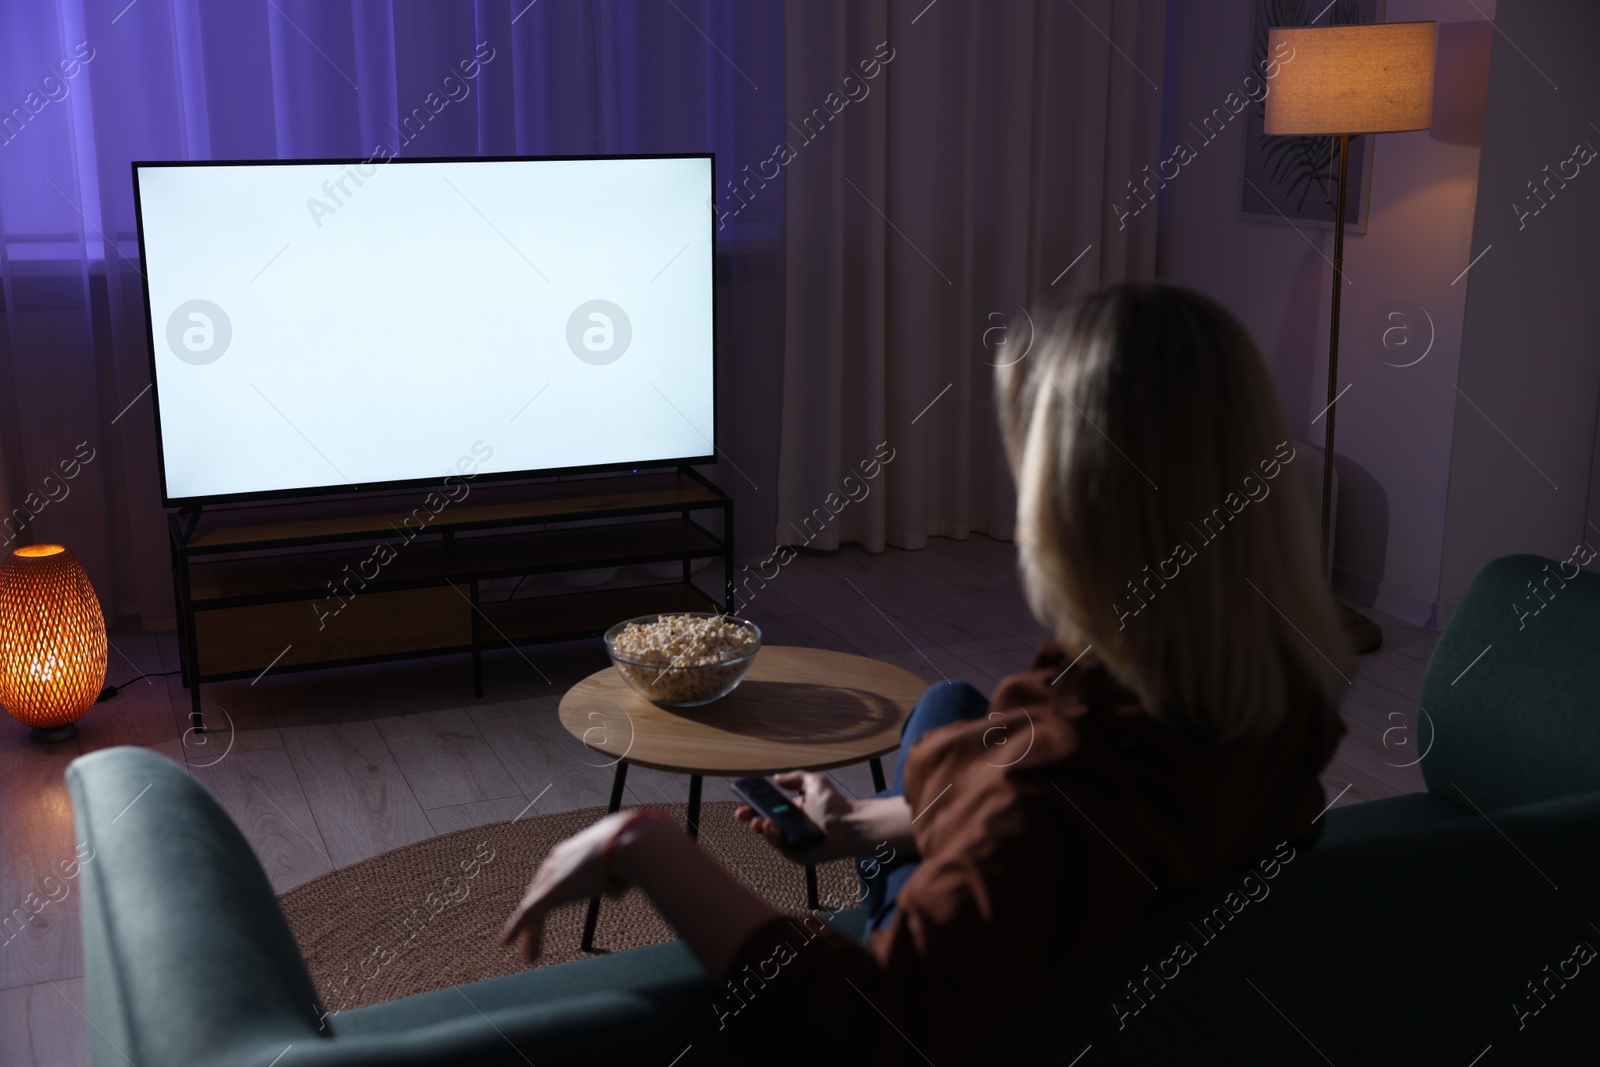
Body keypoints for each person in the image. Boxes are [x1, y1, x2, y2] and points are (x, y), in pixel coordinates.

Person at [500, 283, 1354, 1064]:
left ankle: (878, 861)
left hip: (939, 1002)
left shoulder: (1050, 794)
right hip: (1068, 890)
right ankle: (875, 834)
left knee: (946, 721)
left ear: (1074, 509)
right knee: (947, 704)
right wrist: (868, 822)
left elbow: (861, 1031)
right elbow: (1084, 826)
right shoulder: (1282, 707)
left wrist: (643, 844)